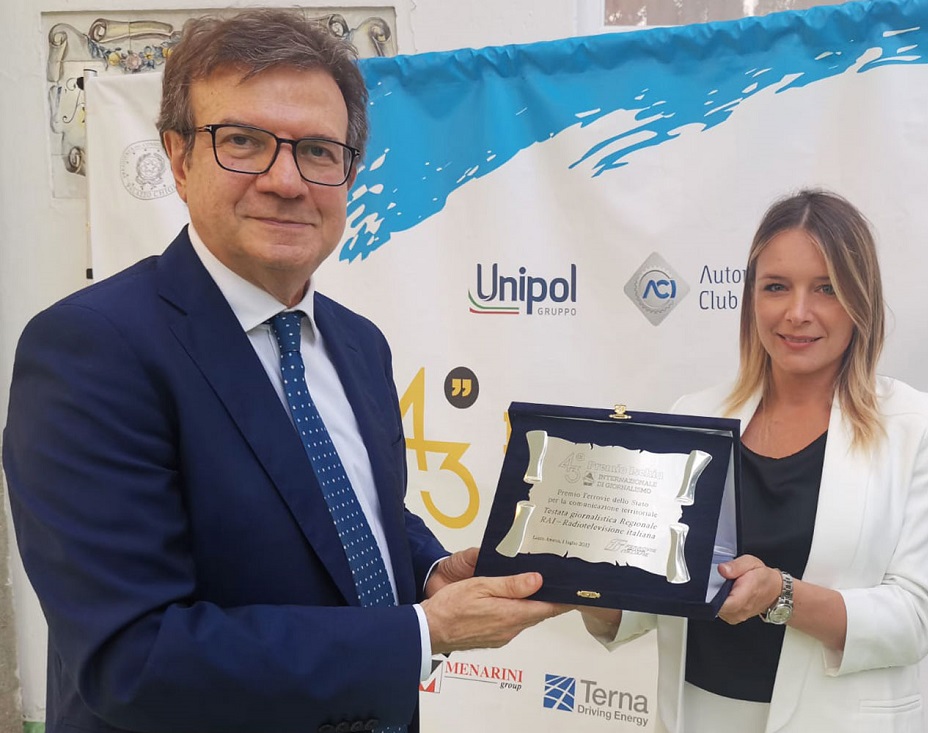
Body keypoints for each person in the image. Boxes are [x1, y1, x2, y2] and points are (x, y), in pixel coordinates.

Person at [3, 9, 562, 733]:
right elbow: (135, 658)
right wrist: (423, 631)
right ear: (179, 159)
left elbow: (342, 510)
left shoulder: (358, 343)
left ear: (349, 173)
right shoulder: (91, 349)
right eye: (243, 141)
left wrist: (428, 571)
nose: (286, 181)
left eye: (319, 151)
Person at [582, 189, 928, 732]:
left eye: (826, 289)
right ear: (751, 300)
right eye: (776, 287)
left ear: (861, 300)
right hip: (699, 715)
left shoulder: (915, 426)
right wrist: (576, 583)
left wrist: (781, 595)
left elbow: (915, 617)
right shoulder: (694, 416)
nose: (797, 313)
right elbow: (655, 593)